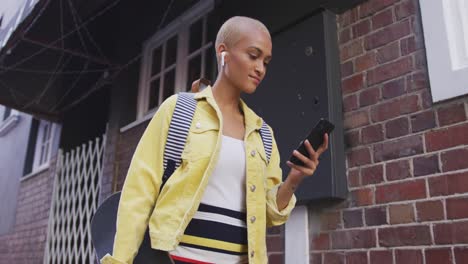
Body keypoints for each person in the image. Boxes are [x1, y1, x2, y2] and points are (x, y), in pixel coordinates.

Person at [101, 16, 329, 264]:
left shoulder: (262, 132)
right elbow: (139, 192)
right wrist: (120, 260)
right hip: (177, 259)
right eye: (253, 56)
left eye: (266, 61)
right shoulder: (179, 111)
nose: (260, 68)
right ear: (224, 53)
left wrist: (295, 178)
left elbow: (269, 214)